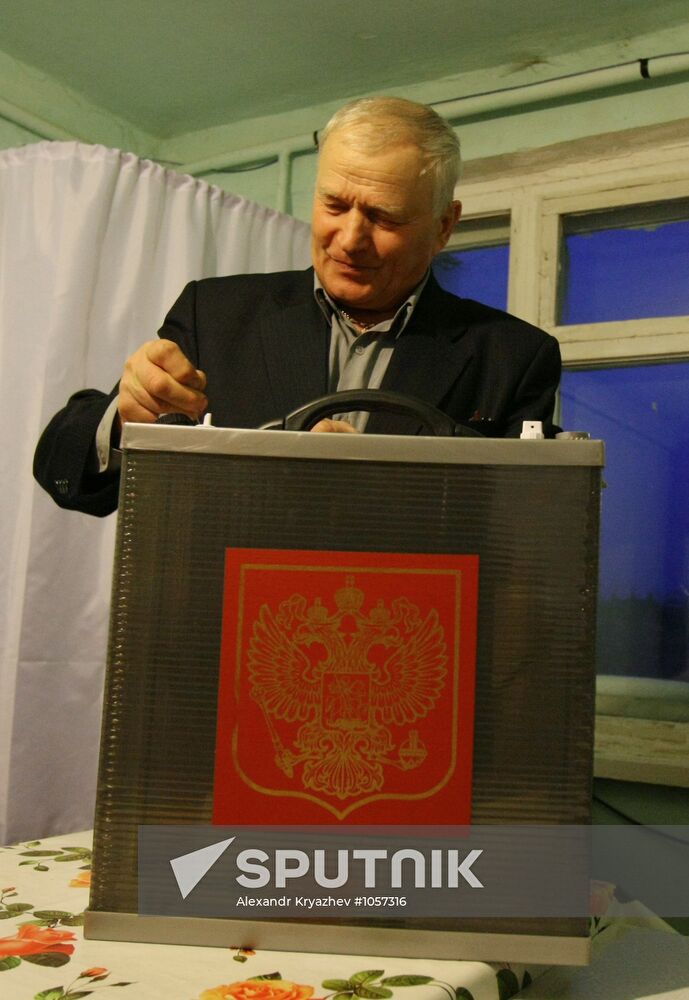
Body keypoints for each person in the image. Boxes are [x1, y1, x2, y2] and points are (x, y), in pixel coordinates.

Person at [34, 96, 561, 518]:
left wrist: (375, 480)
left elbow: (521, 535)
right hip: (224, 613)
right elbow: (67, 474)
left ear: (444, 226)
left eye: (384, 218)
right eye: (334, 204)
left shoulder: (513, 356)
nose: (349, 239)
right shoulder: (214, 314)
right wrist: (124, 418)